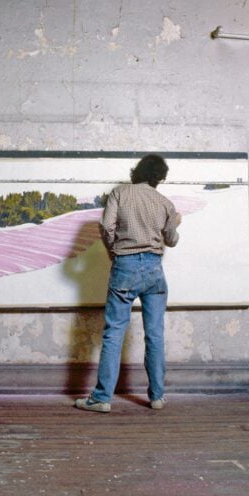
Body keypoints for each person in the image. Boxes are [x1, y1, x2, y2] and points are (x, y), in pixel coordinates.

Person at [76, 154, 181, 413]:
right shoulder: (165, 203)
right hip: (155, 270)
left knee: (113, 333)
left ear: (138, 171)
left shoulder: (120, 193)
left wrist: (115, 251)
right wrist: (175, 223)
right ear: (160, 178)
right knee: (155, 334)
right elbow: (171, 240)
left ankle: (102, 399)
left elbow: (106, 226)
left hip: (125, 266)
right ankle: (157, 397)